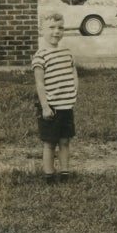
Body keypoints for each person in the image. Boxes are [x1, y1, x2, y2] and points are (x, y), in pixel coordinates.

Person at [32, 11, 78, 183]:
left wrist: (74, 92)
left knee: (65, 141)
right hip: (50, 107)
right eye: (51, 27)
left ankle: (65, 173)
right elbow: (40, 84)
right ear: (41, 30)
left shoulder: (67, 52)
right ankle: (49, 174)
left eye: (60, 28)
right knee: (50, 142)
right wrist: (45, 106)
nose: (56, 31)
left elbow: (73, 73)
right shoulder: (40, 56)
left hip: (66, 106)